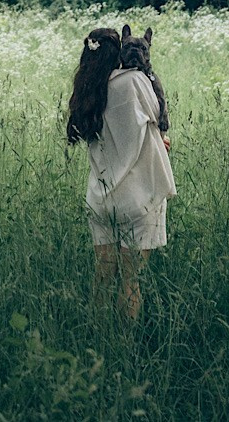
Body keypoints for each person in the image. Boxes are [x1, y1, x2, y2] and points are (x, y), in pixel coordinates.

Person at [67, 25, 176, 318]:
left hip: (100, 198)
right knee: (130, 282)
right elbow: (157, 115)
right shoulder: (134, 82)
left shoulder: (88, 90)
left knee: (102, 278)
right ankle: (124, 352)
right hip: (138, 198)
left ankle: (98, 343)